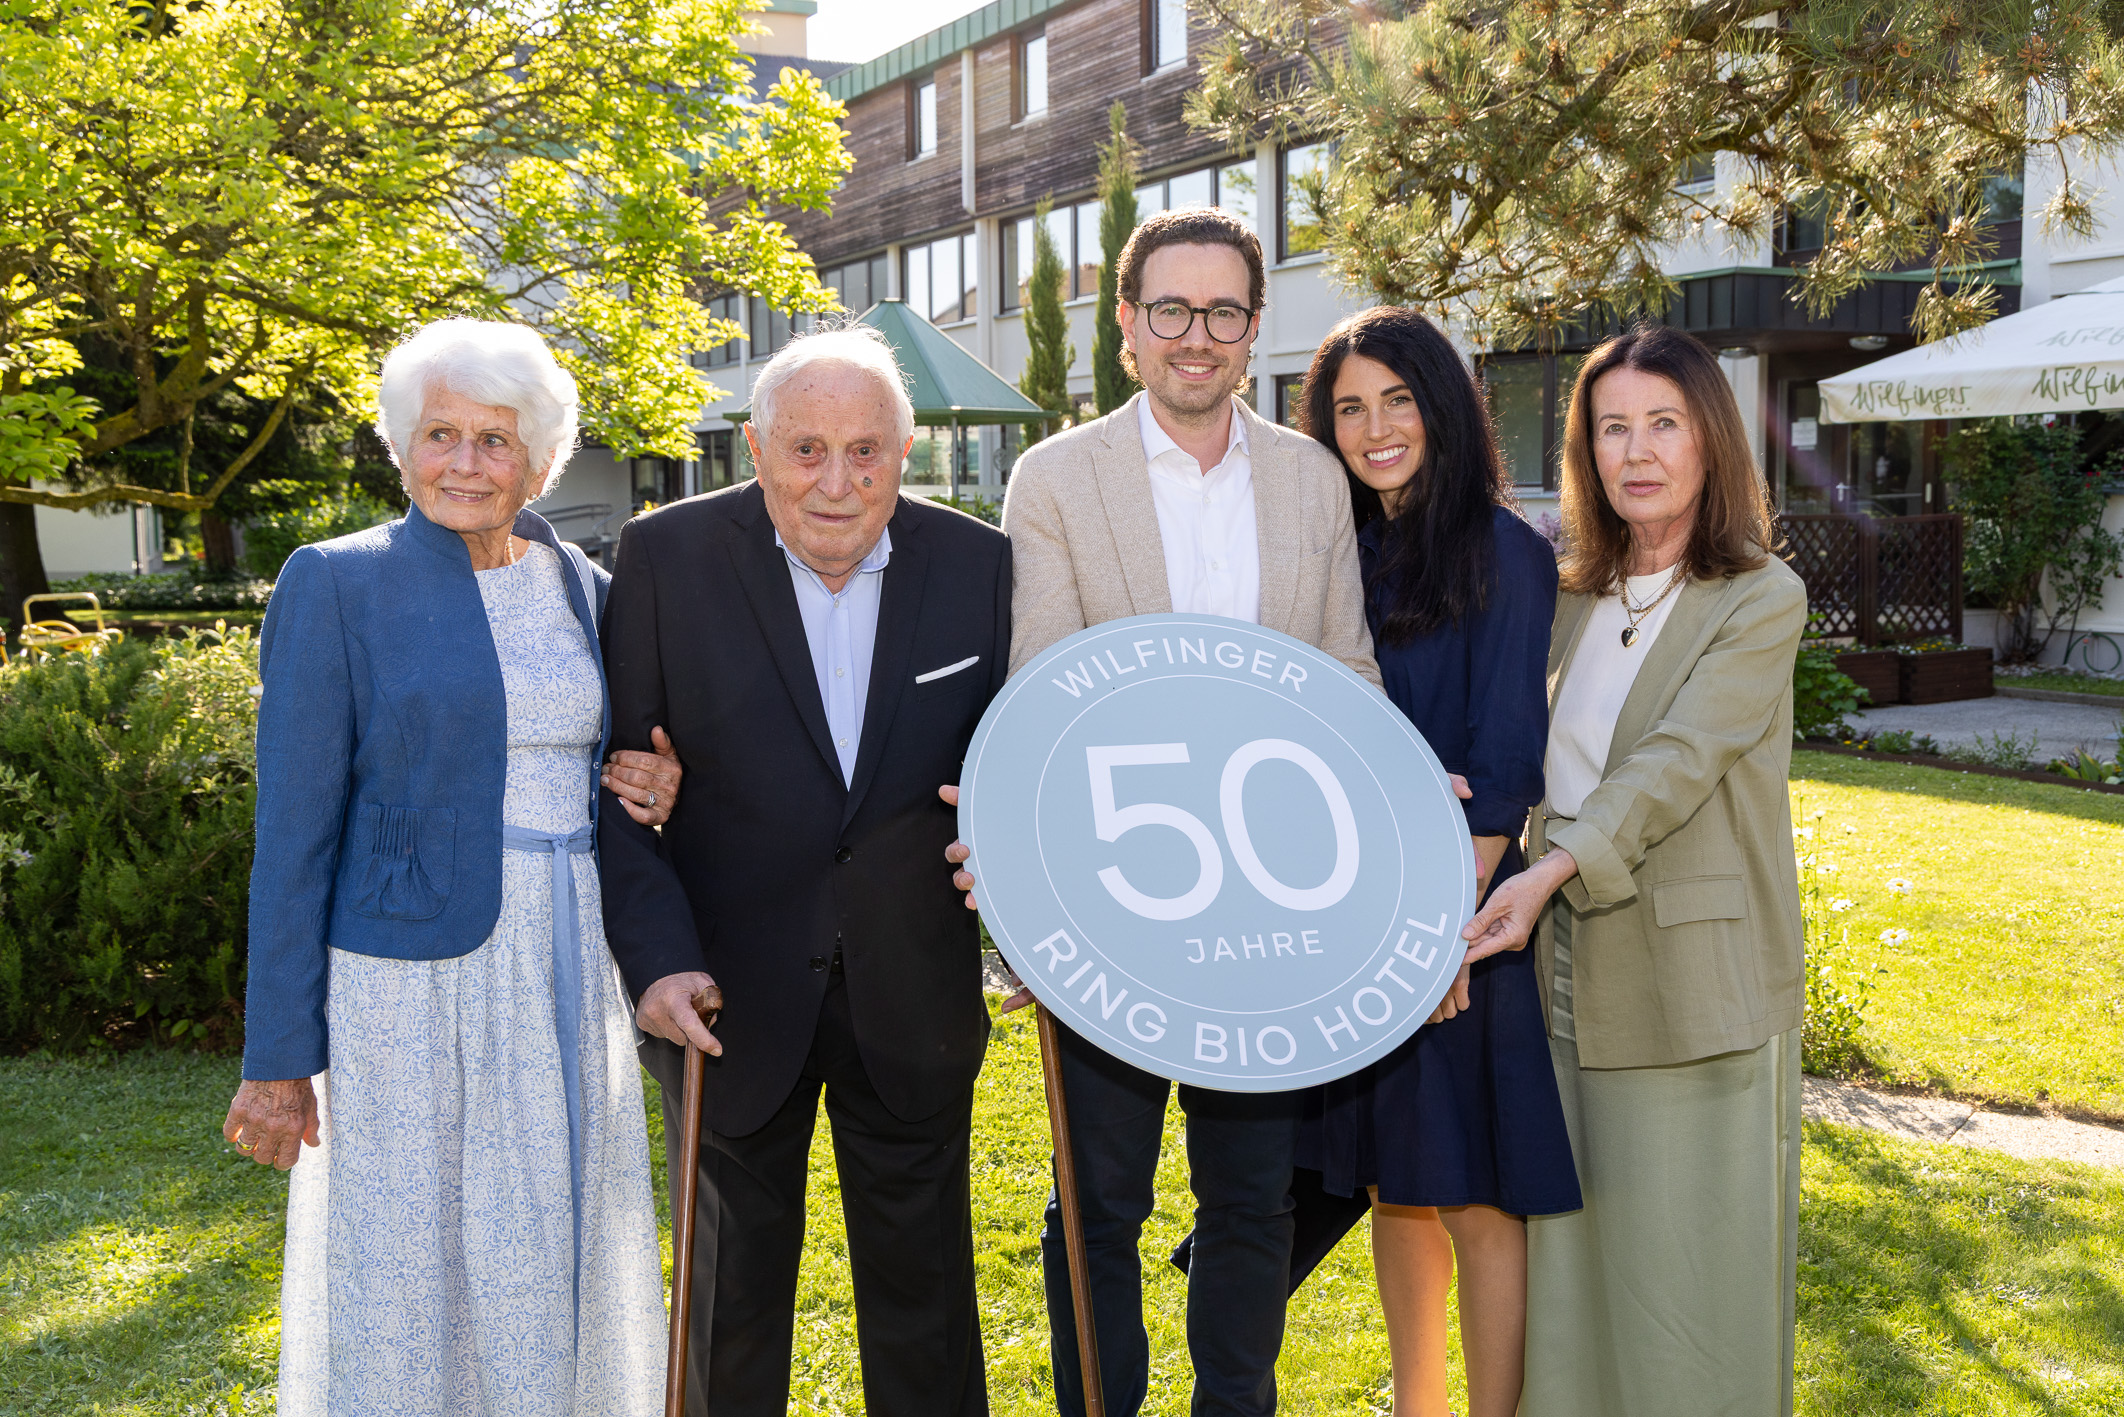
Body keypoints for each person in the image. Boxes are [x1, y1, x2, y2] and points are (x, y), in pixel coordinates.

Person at [223, 318, 688, 1416]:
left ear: (541, 459)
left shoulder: (586, 585)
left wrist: (652, 782)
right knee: (407, 1253)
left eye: (496, 439)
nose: (466, 464)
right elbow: (292, 835)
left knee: (550, 1234)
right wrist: (279, 1056)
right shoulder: (336, 582)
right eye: (441, 434)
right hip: (405, 981)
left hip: (566, 962)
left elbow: (612, 759)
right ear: (401, 444)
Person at [983, 206, 1380, 1417]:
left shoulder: (1313, 480)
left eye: (1221, 311)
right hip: (1114, 902)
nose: (1195, 335)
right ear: (1127, 324)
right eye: (1170, 309)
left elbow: (1347, 676)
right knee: (1096, 1204)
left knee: (1252, 1200)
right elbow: (1039, 695)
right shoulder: (1056, 479)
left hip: (1265, 911)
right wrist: (1030, 911)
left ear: (1255, 329)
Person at [598, 324, 1011, 1417]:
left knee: (927, 1309)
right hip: (722, 995)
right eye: (807, 450)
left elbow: (1013, 768)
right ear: (756, 447)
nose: (838, 482)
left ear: (906, 451)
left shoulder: (980, 565)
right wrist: (657, 962)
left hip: (912, 989)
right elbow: (621, 790)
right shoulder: (663, 559)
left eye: (866, 451)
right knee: (727, 1306)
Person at [1458, 322, 1807, 1417]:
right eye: (1613, 428)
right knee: (1574, 1268)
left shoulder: (1759, 597)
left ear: (1712, 440)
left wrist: (1550, 870)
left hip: (1694, 990)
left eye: (1665, 423)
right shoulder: (1571, 596)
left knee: (1685, 1280)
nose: (1638, 450)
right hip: (1563, 976)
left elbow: (1675, 763)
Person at [1278, 306, 1581, 1417]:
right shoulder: (1342, 551)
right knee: (1395, 1184)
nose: (1375, 429)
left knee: (1475, 1196)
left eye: (1398, 400)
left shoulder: (1504, 550)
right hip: (1355, 913)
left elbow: (1505, 765)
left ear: (1443, 405)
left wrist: (1437, 937)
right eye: (1349, 409)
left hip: (1462, 920)